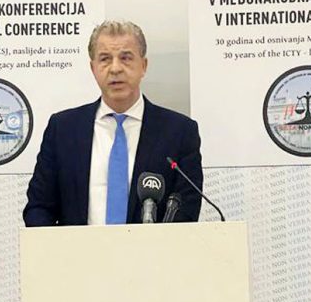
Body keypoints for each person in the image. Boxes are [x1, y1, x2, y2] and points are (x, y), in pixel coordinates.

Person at [23, 20, 203, 226]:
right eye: (105, 59)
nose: (115, 68)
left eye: (126, 58)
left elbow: (186, 211)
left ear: (143, 66)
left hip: (151, 247)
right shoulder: (63, 130)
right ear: (93, 68)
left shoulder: (179, 132)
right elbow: (39, 207)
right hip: (77, 247)